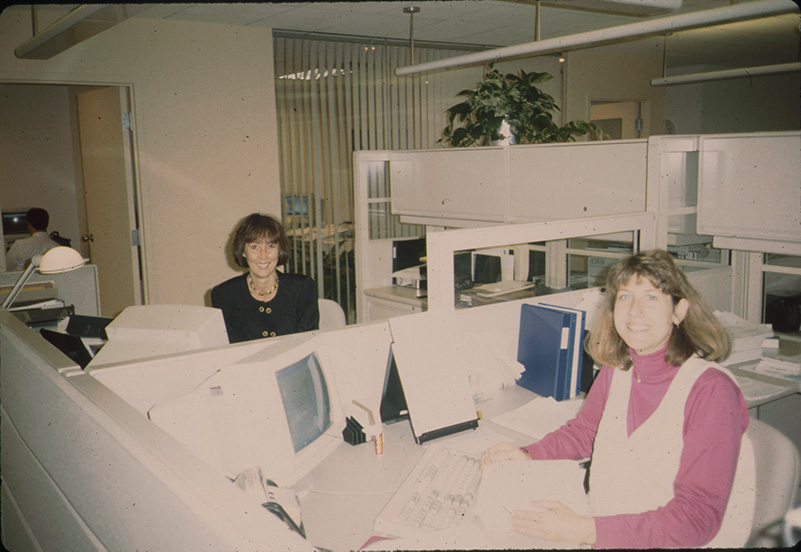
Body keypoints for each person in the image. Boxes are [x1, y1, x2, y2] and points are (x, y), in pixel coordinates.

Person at [482, 249, 753, 549]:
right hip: (608, 532)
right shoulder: (619, 368)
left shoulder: (711, 390)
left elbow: (696, 519)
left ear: (679, 311)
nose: (635, 311)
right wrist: (529, 455)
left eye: (651, 297)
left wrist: (587, 531)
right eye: (625, 297)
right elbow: (587, 432)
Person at [211, 213, 319, 343]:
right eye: (255, 247)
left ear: (279, 250)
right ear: (243, 251)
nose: (263, 255)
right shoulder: (224, 295)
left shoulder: (302, 288)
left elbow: (307, 344)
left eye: (271, 246)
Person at [5, 208, 60, 272]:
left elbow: (5, 267)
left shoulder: (19, 245)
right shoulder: (57, 248)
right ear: (47, 224)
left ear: (29, 224)